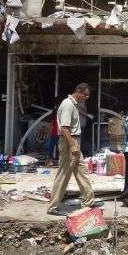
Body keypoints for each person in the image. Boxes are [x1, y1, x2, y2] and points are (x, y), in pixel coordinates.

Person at [47, 83, 101, 216]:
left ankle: (88, 200)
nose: (87, 97)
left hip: (74, 140)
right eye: (85, 95)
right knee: (64, 173)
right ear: (78, 91)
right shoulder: (68, 104)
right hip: (69, 141)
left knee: (81, 170)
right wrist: (72, 145)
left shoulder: (74, 105)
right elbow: (64, 128)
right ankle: (53, 206)